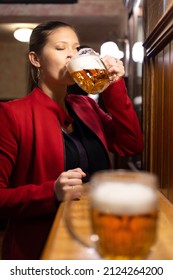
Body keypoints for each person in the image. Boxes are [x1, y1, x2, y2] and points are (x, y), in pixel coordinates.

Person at [0, 21, 144, 260]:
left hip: (96, 238)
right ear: (36, 59)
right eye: (60, 48)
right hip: (39, 249)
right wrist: (52, 192)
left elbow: (130, 145)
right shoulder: (11, 114)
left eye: (76, 48)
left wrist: (113, 86)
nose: (71, 54)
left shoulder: (86, 106)